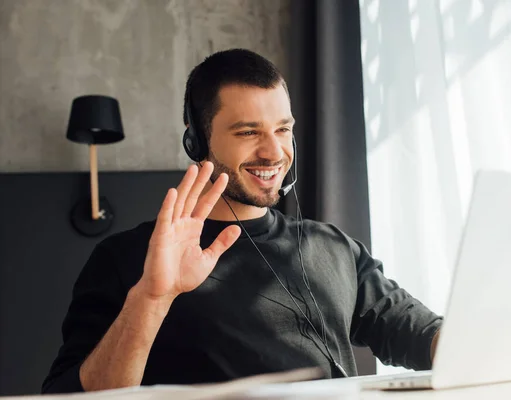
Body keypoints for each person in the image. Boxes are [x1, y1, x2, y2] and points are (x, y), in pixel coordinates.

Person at [42, 48, 443, 393]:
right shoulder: (125, 260)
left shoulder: (334, 247)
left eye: (283, 129)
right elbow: (68, 399)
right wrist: (152, 299)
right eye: (249, 132)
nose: (274, 152)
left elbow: (421, 334)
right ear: (195, 141)